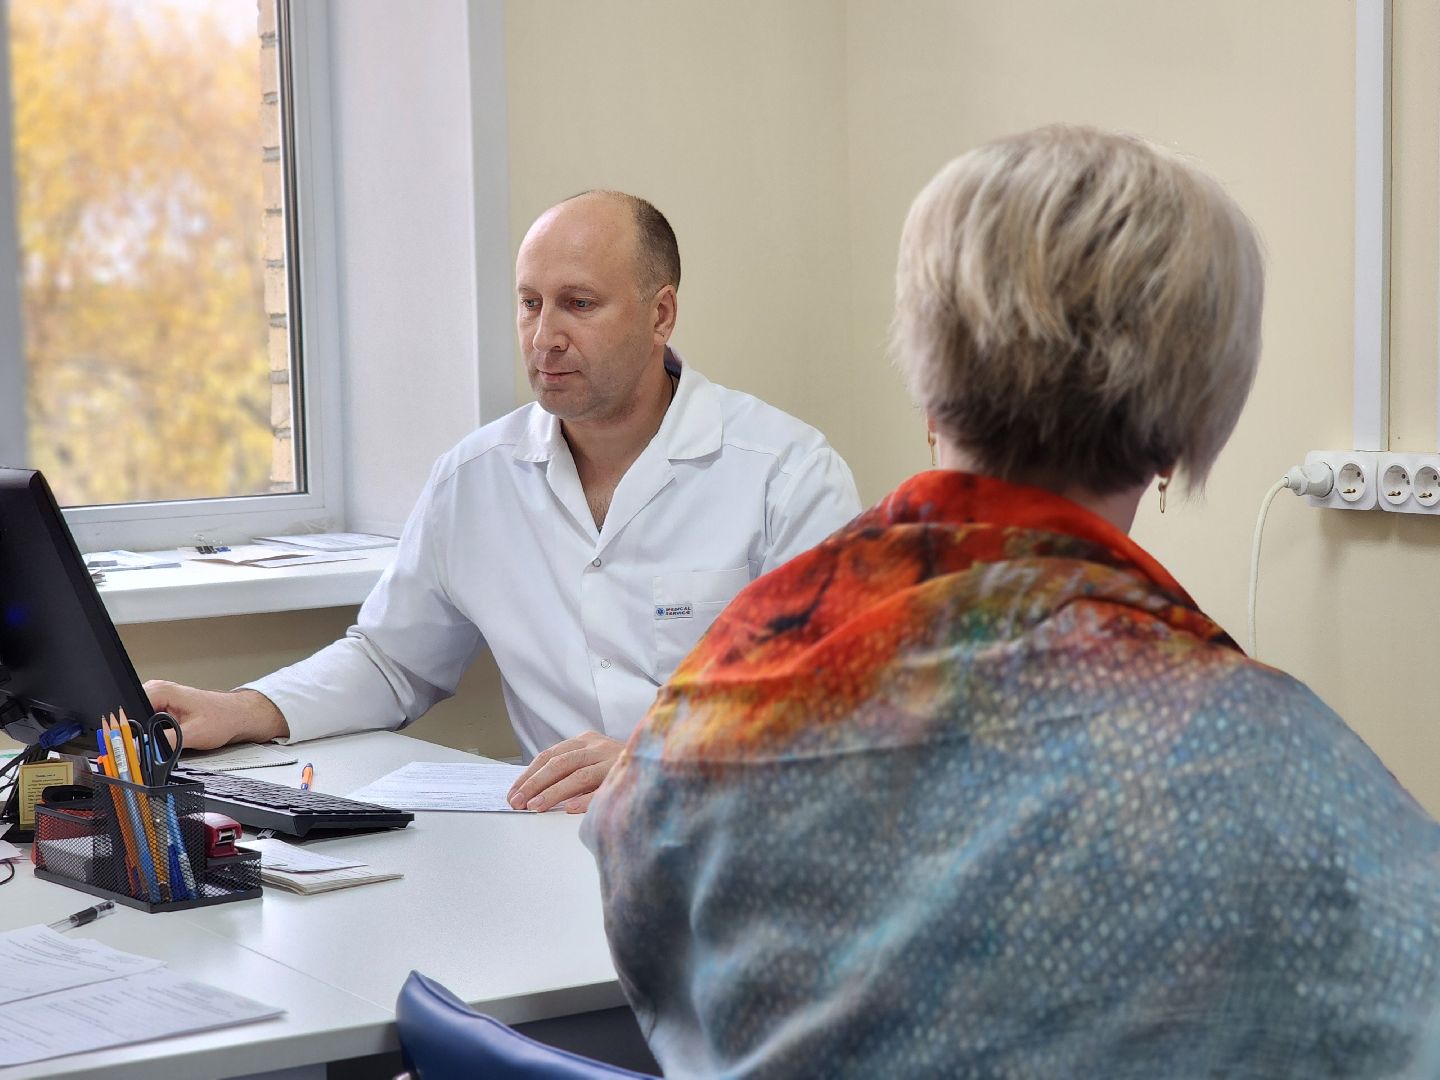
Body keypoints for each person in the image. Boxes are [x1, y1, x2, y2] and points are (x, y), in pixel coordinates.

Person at [582, 127, 1440, 1076]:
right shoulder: (1272, 757)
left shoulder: (737, 667)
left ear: (929, 391)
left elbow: (645, 929)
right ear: (1189, 428)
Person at [146, 191, 860, 812]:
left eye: (579, 304)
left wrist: (663, 763)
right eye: (529, 304)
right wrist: (236, 710)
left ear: (660, 315)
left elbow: (830, 709)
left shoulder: (785, 475)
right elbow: (393, 662)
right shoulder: (476, 477)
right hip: (551, 840)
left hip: (726, 837)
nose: (545, 337)